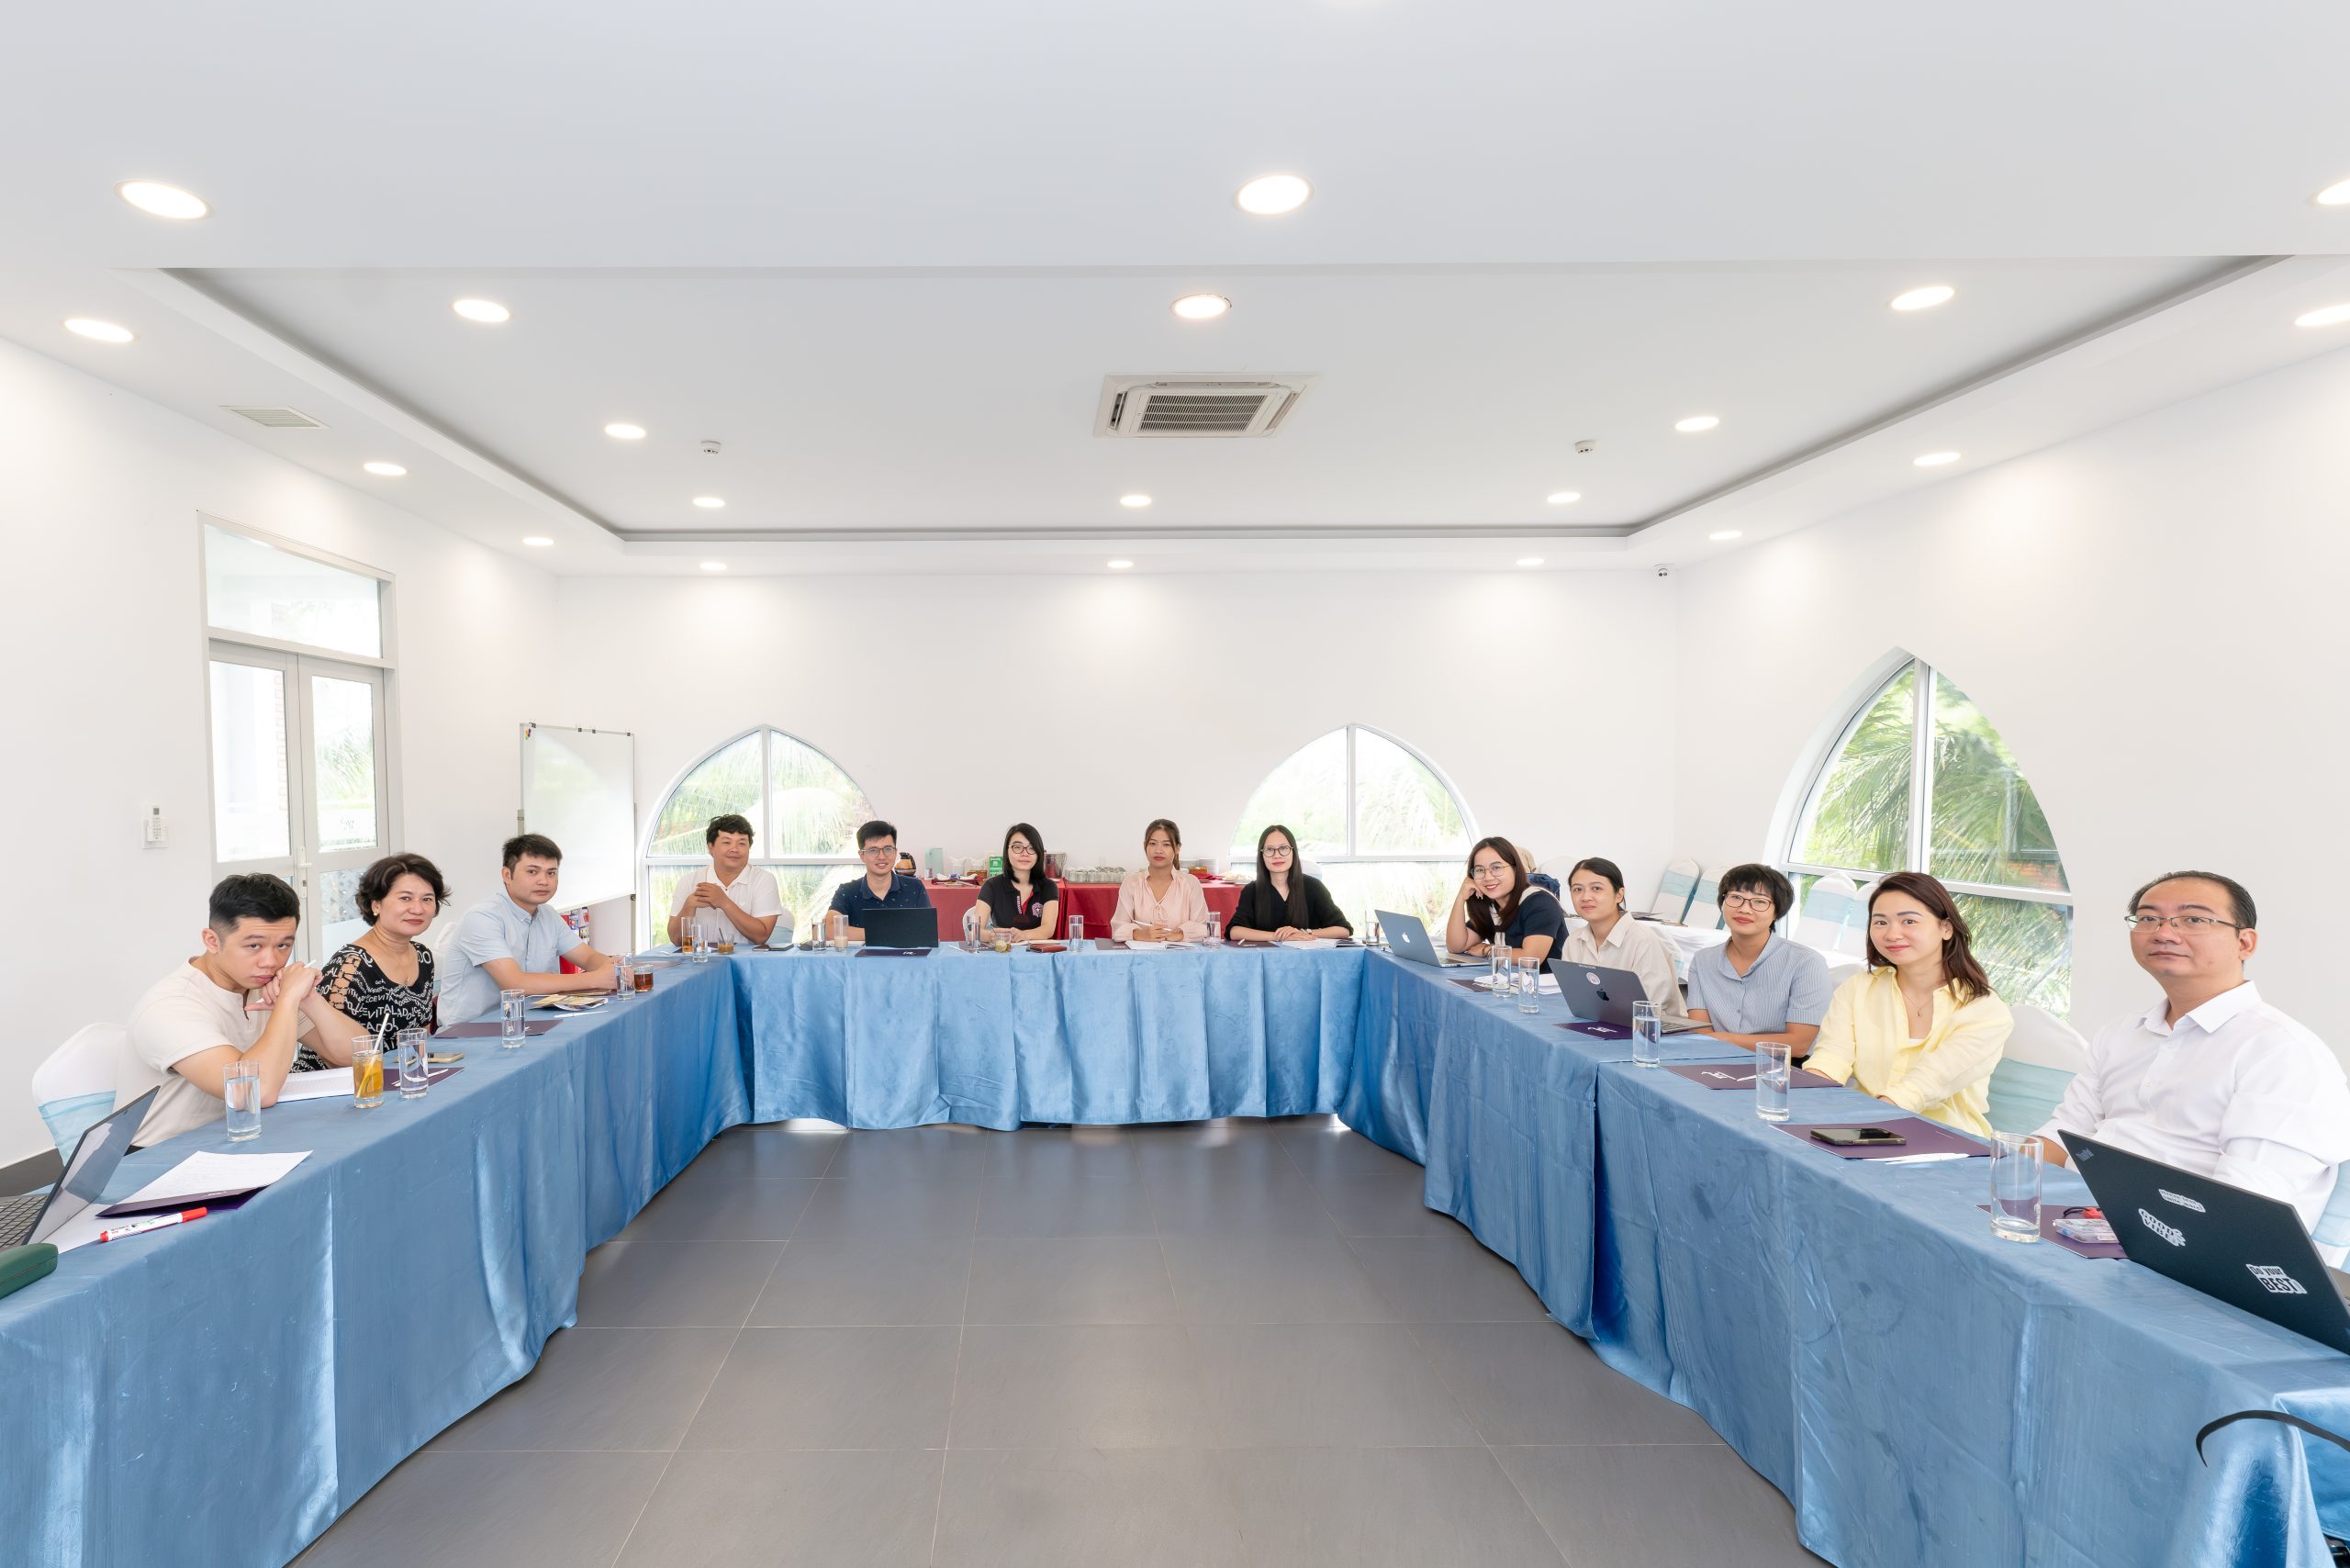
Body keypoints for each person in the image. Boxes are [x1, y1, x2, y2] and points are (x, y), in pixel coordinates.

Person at [2034, 871, 2350, 1249]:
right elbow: (2063, 1133)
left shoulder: (2282, 1051)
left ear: (2245, 943)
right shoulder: (2121, 1033)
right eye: (2148, 918)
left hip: (2182, 1250)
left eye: (2194, 919)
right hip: (2079, 1220)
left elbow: (2247, 1208)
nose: (2164, 932)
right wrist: (1997, 1176)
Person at [118, 874, 350, 1147]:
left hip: (241, 1137)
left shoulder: (262, 985)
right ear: (212, 941)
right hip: (161, 1155)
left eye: (283, 945)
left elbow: (356, 1056)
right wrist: (288, 1000)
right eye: (254, 946)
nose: (270, 961)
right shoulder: (171, 1006)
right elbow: (254, 1093)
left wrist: (309, 998)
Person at [1807, 871, 2009, 1134]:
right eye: (1880, 922)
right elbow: (1831, 1059)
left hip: (1945, 1141)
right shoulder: (1857, 988)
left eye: (1909, 921)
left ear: (1946, 928)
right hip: (1860, 1130)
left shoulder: (1985, 1010)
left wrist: (1859, 1127)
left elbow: (1925, 1085)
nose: (1892, 934)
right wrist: (1804, 1103)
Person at [437, 834, 619, 1024]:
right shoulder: (482, 918)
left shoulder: (548, 914)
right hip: (470, 1031)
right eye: (532, 872)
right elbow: (516, 984)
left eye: (551, 873)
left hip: (530, 1022)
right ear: (507, 875)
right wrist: (595, 979)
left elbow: (588, 958)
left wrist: (612, 968)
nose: (544, 881)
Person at [297, 852, 450, 1070]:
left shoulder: (422, 956)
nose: (418, 909)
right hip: (335, 1080)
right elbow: (332, 1054)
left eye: (427, 899)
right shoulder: (351, 965)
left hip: (396, 1074)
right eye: (405, 898)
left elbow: (420, 1033)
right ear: (375, 905)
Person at [1683, 862, 1833, 1055]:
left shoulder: (1806, 962)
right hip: (1714, 1058)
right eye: (1736, 897)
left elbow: (1799, 1044)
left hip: (1782, 1065)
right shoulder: (1703, 960)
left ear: (1777, 912)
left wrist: (1726, 1039)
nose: (1745, 909)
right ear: (1723, 902)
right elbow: (1700, 1032)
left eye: (1760, 901)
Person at [1555, 857, 1686, 1020]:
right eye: (1577, 889)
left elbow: (1649, 1006)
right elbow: (1576, 999)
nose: (1585, 897)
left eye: (1596, 888)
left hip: (1651, 1027)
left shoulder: (1642, 940)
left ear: (1619, 895)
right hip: (1597, 1021)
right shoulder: (1574, 941)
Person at [667, 812, 784, 948]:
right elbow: (676, 940)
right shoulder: (689, 881)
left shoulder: (763, 880)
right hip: (700, 959)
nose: (734, 849)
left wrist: (724, 902)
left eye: (742, 843)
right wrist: (688, 906)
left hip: (746, 960)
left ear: (749, 848)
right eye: (727, 842)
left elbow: (761, 936)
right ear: (710, 848)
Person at [1446, 835, 1566, 960]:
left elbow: (1530, 958)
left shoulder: (1541, 902)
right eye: (1480, 870)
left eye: (1496, 868)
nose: (1488, 877)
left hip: (1543, 974)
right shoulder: (1491, 906)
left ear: (1515, 869)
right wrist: (1461, 898)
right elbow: (1456, 946)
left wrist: (1487, 950)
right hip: (1508, 973)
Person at [1227, 823, 1352, 943]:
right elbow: (1234, 931)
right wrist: (1280, 936)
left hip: (1307, 956)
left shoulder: (1313, 887)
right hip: (1267, 956)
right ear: (1262, 855)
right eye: (1270, 849)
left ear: (1293, 851)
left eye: (1283, 848)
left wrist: (1304, 933)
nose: (1277, 855)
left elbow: (1343, 930)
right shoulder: (1252, 890)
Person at [827, 819, 933, 941]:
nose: (882, 856)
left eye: (888, 849)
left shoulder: (915, 887)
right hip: (861, 955)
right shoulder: (848, 891)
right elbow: (829, 930)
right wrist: (883, 933)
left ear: (895, 852)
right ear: (862, 855)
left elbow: (927, 932)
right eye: (873, 850)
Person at [1111, 818, 1211, 942]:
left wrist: (1179, 935)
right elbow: (1118, 928)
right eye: (1153, 844)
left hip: (1181, 953)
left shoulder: (1191, 883)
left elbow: (1205, 928)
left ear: (1177, 848)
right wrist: (1139, 934)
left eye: (1166, 844)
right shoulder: (1131, 883)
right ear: (1145, 846)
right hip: (1141, 954)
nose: (1158, 850)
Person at [977, 823, 1060, 942]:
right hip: (1003, 949)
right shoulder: (991, 885)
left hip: (1037, 952)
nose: (1025, 853)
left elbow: (1048, 929)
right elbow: (974, 931)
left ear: (1039, 854)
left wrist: (1024, 935)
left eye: (1032, 848)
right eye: (1017, 847)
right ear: (1007, 851)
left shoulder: (1049, 886)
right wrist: (992, 936)